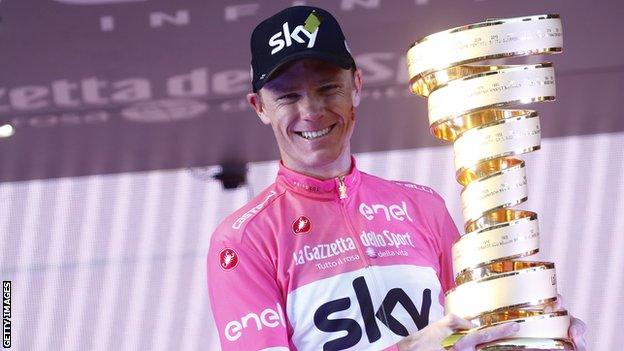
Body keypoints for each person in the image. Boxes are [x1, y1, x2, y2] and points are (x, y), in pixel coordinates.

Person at [207, 6, 587, 351]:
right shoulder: (242, 240)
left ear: (356, 86)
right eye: (288, 97)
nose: (311, 111)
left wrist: (535, 329)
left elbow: (475, 328)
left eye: (327, 88)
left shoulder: (421, 206)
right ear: (259, 107)